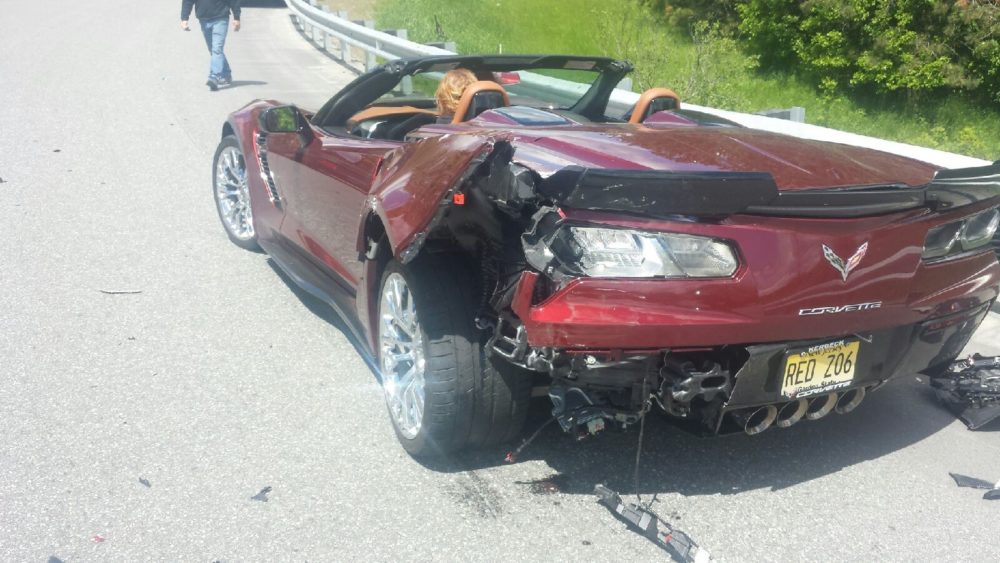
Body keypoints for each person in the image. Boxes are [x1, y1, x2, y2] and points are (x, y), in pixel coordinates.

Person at [181, 0, 241, 91]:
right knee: (213, 49)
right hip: (204, 19)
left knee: (217, 48)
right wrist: (184, 18)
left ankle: (214, 76)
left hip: (221, 18)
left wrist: (237, 17)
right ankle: (226, 74)